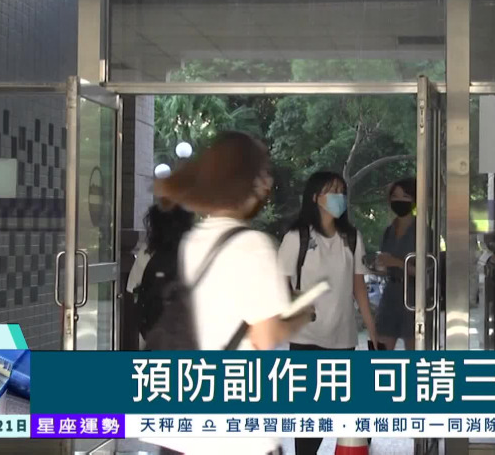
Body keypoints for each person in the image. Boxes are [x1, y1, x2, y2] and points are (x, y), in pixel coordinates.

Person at [149, 131, 312, 455]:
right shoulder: (253, 245)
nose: (268, 182)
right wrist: (300, 316)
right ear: (244, 181)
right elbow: (265, 336)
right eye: (263, 173)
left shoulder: (194, 239)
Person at [277, 171, 379, 455]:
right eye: (332, 191)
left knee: (335, 409)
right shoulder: (296, 238)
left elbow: (359, 289)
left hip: (342, 337)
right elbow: (280, 286)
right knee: (310, 417)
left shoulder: (352, 238)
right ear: (315, 197)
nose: (339, 197)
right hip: (306, 337)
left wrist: (372, 331)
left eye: (342, 192)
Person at [127, 202, 195, 349]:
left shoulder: (147, 252)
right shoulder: (195, 251)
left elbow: (132, 288)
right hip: (188, 335)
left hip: (154, 334)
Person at [373, 178, 417, 351]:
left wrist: (398, 263)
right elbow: (384, 267)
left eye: (405, 196)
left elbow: (426, 272)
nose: (399, 201)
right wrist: (378, 266)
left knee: (415, 350)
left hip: (413, 296)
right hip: (390, 294)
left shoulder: (422, 231)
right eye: (395, 196)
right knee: (379, 348)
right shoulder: (388, 231)